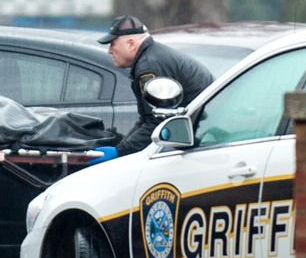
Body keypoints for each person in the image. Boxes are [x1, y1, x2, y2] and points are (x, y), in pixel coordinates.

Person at [89, 14, 214, 165]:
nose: (109, 51)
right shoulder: (151, 57)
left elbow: (158, 122)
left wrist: (120, 152)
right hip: (199, 133)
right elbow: (148, 119)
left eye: (112, 44)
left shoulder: (149, 66)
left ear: (130, 44)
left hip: (200, 139)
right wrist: (122, 148)